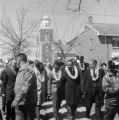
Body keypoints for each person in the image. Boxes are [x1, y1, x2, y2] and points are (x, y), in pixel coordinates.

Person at [11, 53, 37, 120]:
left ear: (19, 60)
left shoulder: (29, 70)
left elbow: (25, 87)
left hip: (28, 103)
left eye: (17, 60)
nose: (16, 62)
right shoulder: (21, 70)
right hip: (21, 102)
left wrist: (16, 101)